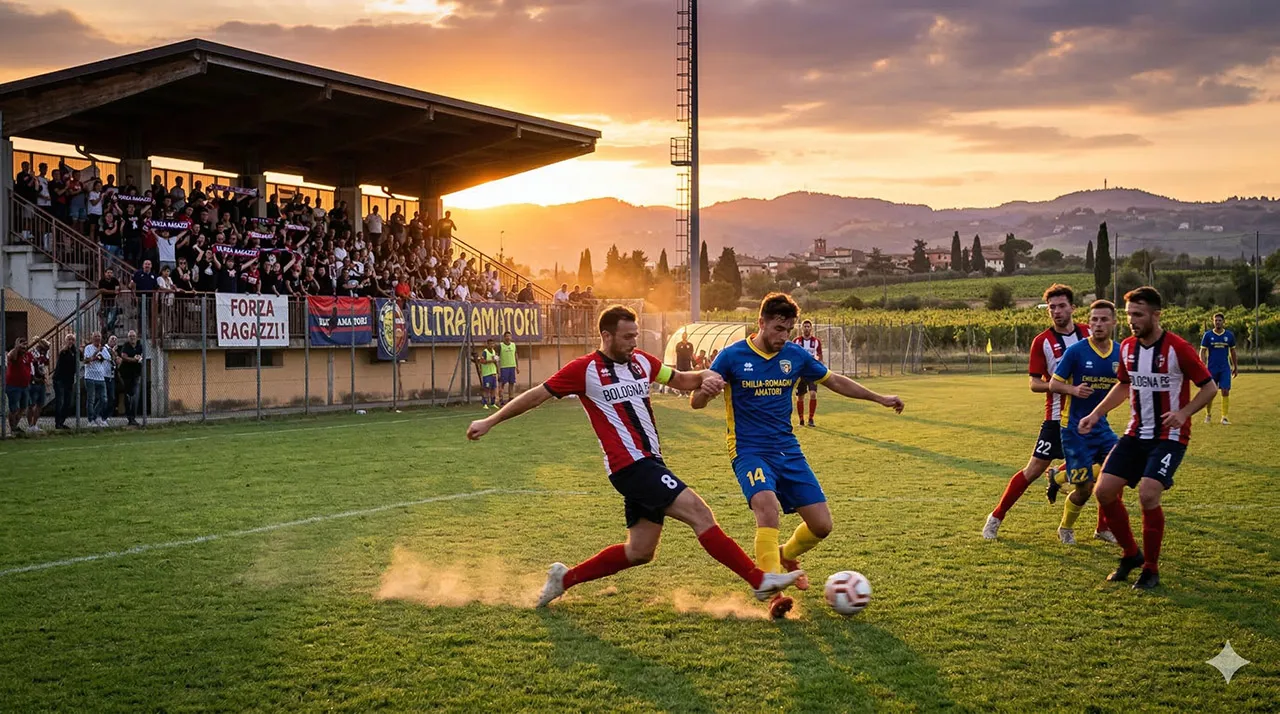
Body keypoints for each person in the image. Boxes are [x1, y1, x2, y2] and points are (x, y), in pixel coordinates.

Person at [466, 305, 803, 608]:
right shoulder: (584, 369)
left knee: (640, 551)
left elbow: (681, 379)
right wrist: (490, 420)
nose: (633, 342)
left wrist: (705, 377)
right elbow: (536, 396)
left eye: (635, 336)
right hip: (629, 466)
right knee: (700, 514)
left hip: (650, 463)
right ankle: (758, 580)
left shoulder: (642, 361)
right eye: (627, 337)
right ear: (606, 335)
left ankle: (564, 579)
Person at [692, 293, 904, 618]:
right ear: (761, 323)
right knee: (767, 507)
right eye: (778, 328)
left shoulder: (795, 355)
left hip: (787, 450)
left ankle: (786, 554)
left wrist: (879, 398)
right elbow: (696, 400)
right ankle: (773, 593)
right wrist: (705, 395)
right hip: (749, 450)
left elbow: (834, 381)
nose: (784, 336)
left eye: (788, 330)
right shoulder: (731, 356)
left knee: (822, 526)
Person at [1079, 287, 1217, 589]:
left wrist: (1184, 413)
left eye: (1138, 315)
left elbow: (1209, 387)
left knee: (1148, 494)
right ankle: (1131, 554)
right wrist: (1096, 414)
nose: (1132, 320)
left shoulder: (1178, 348)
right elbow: (1123, 385)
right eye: (1129, 315)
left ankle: (1151, 569)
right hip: (1135, 434)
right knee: (1104, 491)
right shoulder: (1127, 347)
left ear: (1156, 315)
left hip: (1170, 436)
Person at [983, 284, 1091, 541]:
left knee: (1103, 468)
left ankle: (1101, 527)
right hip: (1056, 419)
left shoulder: (1088, 333)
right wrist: (1067, 388)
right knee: (1032, 471)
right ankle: (995, 518)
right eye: (1052, 307)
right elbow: (1034, 383)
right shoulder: (1042, 342)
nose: (1057, 311)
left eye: (1062, 306)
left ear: (1073, 308)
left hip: (1088, 417)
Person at [1045, 300, 1122, 545]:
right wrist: (1074, 390)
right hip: (1074, 428)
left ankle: (1059, 478)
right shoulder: (1076, 351)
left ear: (1114, 322)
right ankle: (1066, 528)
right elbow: (1053, 384)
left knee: (1119, 470)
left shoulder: (1120, 352)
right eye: (1094, 320)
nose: (1098, 324)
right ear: (1089, 323)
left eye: (1104, 319)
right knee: (1085, 488)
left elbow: (1126, 386)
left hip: (1101, 427)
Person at [1199, 313, 1237, 425]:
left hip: (1225, 368)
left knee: (1225, 391)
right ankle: (1208, 415)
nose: (1218, 322)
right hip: (1211, 368)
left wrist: (1235, 366)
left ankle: (1224, 417)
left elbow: (1233, 351)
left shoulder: (1229, 335)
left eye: (1220, 320)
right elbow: (1202, 351)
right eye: (1216, 320)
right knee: (1211, 392)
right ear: (1213, 322)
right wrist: (1202, 364)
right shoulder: (1207, 335)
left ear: (1223, 322)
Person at [793, 319, 824, 427]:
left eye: (808, 326)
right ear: (801, 328)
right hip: (800, 372)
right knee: (800, 397)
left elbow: (819, 355)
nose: (806, 328)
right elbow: (792, 355)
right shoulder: (796, 341)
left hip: (812, 372)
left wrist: (818, 362)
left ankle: (811, 419)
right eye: (805, 326)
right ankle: (801, 420)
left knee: (813, 394)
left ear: (811, 328)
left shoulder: (816, 341)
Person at [5, 337, 33, 435]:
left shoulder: (28, 355)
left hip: (25, 386)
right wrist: (17, 347)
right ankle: (12, 429)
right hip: (13, 386)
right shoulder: (14, 354)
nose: (24, 347)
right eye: (22, 345)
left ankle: (15, 426)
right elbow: (10, 356)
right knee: (14, 408)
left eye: (25, 344)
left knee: (23, 407)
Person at [82, 332, 110, 428]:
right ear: (92, 338)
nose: (97, 338)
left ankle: (94, 416)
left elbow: (108, 358)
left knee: (104, 399)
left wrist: (102, 353)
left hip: (101, 377)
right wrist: (96, 352)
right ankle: (90, 420)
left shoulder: (104, 349)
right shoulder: (88, 348)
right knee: (91, 399)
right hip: (90, 377)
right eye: (95, 336)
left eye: (99, 336)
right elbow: (86, 360)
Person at [117, 331, 144, 427]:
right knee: (128, 396)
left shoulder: (140, 346)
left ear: (136, 337)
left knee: (135, 396)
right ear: (128, 338)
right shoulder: (126, 346)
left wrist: (138, 358)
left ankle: (133, 417)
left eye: (133, 336)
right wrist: (134, 360)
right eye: (130, 336)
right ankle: (130, 417)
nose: (132, 338)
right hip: (126, 375)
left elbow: (141, 356)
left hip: (136, 374)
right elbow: (124, 357)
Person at [53, 335, 78, 429]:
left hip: (69, 380)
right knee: (60, 401)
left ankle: (62, 421)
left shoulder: (74, 352)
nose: (71, 341)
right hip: (60, 379)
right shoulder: (64, 351)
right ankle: (58, 423)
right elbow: (62, 357)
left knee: (68, 402)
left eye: (72, 340)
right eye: (69, 339)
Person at [27, 339, 50, 432]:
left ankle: (34, 424)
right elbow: (31, 367)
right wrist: (33, 378)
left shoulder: (45, 354)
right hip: (34, 381)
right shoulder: (32, 353)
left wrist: (46, 377)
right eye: (45, 348)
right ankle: (30, 425)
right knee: (31, 404)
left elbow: (46, 365)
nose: (46, 350)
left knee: (40, 404)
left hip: (41, 381)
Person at [474, 339, 500, 409]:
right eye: (490, 344)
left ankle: (493, 403)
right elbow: (482, 361)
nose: (492, 345)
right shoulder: (485, 352)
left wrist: (498, 371)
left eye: (493, 344)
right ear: (487, 344)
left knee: (493, 389)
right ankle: (484, 403)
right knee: (486, 389)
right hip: (487, 374)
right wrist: (492, 360)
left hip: (493, 373)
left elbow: (495, 362)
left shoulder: (494, 351)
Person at [498, 331, 519, 405]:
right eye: (506, 336)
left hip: (512, 367)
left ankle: (511, 398)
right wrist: (498, 368)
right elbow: (497, 357)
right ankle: (501, 399)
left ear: (511, 337)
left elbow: (516, 356)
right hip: (504, 367)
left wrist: (517, 367)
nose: (508, 337)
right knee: (502, 384)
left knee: (511, 383)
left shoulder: (513, 345)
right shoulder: (501, 345)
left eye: (509, 336)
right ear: (504, 337)